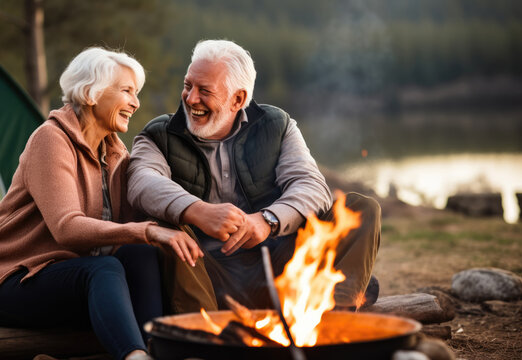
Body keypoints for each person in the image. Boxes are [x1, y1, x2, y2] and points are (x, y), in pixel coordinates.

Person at [0, 47, 203, 360]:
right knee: (105, 267)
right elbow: (67, 229)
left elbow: (138, 216)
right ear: (91, 92)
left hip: (69, 279)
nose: (136, 102)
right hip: (11, 283)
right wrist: (147, 230)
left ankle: (155, 352)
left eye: (137, 93)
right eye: (127, 91)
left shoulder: (115, 154)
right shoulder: (51, 139)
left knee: (140, 254)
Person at [127, 39, 381, 313]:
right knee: (169, 229)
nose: (190, 99)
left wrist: (267, 221)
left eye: (204, 91)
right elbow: (141, 182)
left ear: (238, 99)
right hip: (206, 274)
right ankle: (206, 341)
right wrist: (196, 211)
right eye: (188, 86)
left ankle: (333, 329)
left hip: (281, 266)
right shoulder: (158, 134)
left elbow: (312, 186)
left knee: (362, 208)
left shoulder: (277, 125)